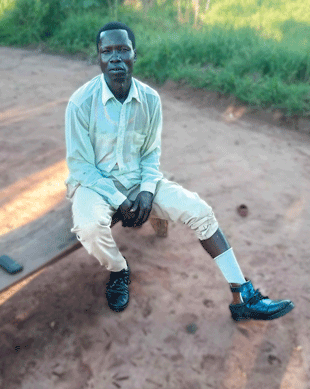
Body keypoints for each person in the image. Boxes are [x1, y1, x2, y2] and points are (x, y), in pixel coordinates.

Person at [64, 21, 295, 320]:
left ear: (135, 54)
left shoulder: (150, 100)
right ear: (98, 58)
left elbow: (150, 154)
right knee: (90, 228)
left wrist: (147, 191)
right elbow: (81, 166)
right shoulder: (81, 103)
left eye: (123, 50)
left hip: (138, 180)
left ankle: (243, 295)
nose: (116, 58)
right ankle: (119, 270)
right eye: (107, 51)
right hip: (94, 185)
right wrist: (119, 200)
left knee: (200, 210)